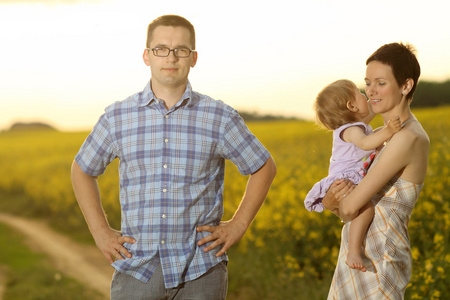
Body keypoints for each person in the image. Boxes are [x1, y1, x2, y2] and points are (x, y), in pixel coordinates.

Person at [71, 14, 276, 300]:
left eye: (181, 49)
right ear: (147, 56)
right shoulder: (117, 117)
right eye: (161, 49)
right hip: (137, 268)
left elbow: (263, 166)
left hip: (201, 270)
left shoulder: (219, 117)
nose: (171, 57)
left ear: (193, 58)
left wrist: (238, 225)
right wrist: (100, 231)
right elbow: (82, 170)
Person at [323, 42, 429, 299]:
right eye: (368, 82)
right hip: (361, 252)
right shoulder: (380, 136)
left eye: (381, 83)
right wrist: (331, 202)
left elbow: (349, 208)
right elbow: (342, 204)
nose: (371, 91)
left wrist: (335, 204)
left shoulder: (406, 137)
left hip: (379, 257)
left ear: (406, 86)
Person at [304, 79, 402, 271]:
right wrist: (389, 131)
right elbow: (366, 144)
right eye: (361, 93)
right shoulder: (351, 131)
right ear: (352, 106)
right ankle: (354, 251)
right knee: (365, 210)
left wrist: (383, 97)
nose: (367, 95)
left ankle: (355, 249)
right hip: (346, 181)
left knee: (362, 209)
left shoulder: (356, 125)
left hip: (349, 178)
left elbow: (374, 110)